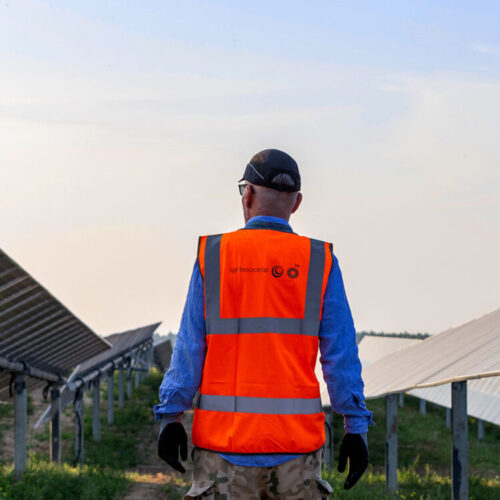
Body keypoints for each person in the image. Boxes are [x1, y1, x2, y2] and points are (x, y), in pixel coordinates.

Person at [154, 149, 373, 499]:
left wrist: (171, 417)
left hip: (223, 453)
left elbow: (189, 348)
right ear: (297, 203)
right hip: (296, 457)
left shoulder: (215, 256)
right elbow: (341, 357)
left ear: (248, 195)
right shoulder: (319, 262)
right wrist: (355, 427)